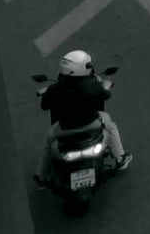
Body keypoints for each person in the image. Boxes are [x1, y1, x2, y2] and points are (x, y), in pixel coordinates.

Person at [36, 50, 127, 183]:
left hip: (63, 129)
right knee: (110, 124)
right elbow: (106, 95)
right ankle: (120, 158)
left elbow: (44, 106)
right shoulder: (91, 85)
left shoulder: (56, 89)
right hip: (92, 125)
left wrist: (48, 93)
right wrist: (105, 86)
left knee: (47, 143)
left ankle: (40, 177)